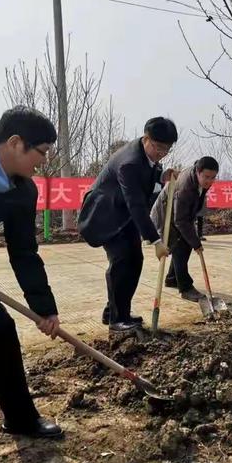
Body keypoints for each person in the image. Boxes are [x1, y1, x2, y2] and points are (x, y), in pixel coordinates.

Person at [0, 106, 62, 438]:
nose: (44, 161)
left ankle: (21, 418)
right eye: (43, 151)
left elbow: (24, 253)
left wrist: (44, 308)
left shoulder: (23, 191)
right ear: (16, 142)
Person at [78, 117, 176, 331]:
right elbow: (137, 205)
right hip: (106, 216)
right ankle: (117, 320)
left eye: (166, 149)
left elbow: (148, 171)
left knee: (134, 260)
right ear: (146, 138)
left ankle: (115, 311)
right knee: (122, 262)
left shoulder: (144, 155)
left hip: (123, 215)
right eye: (158, 147)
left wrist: (161, 175)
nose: (161, 153)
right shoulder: (129, 162)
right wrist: (156, 240)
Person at [151, 157, 219, 301]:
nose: (209, 181)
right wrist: (196, 243)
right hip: (165, 216)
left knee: (184, 244)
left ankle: (172, 278)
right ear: (198, 172)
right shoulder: (185, 187)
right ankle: (186, 288)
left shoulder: (198, 179)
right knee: (181, 247)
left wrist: (193, 239)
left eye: (213, 178)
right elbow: (180, 220)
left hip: (178, 214)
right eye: (206, 177)